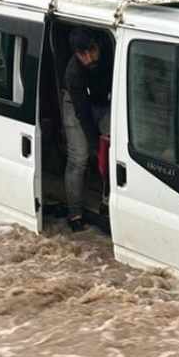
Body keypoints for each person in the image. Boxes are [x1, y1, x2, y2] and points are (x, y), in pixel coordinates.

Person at [62, 28, 112, 232]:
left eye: (91, 51)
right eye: (82, 55)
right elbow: (83, 113)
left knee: (113, 152)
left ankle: (107, 202)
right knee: (78, 158)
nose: (88, 58)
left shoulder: (111, 50)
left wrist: (104, 141)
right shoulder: (73, 73)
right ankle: (74, 213)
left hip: (105, 100)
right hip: (76, 104)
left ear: (98, 46)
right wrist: (94, 143)